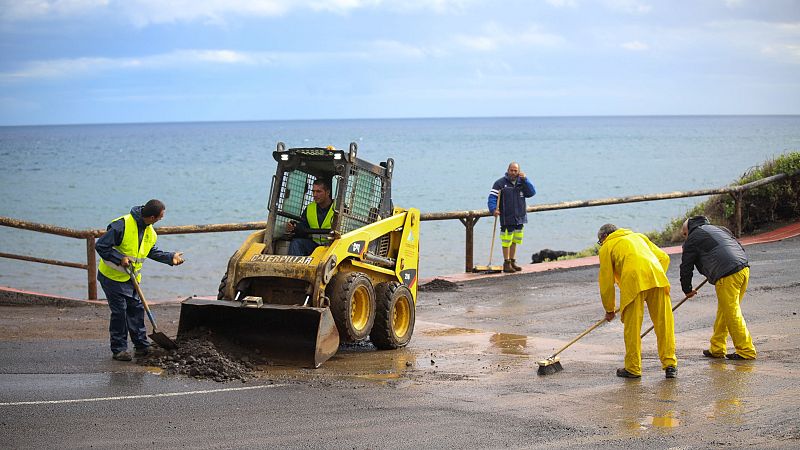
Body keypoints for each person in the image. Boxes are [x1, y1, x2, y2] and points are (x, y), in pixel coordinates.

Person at [96, 200, 184, 361]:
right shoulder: (121, 225)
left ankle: (141, 346)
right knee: (120, 312)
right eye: (160, 217)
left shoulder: (150, 232)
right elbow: (101, 246)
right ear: (151, 217)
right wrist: (119, 258)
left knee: (136, 310)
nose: (161, 219)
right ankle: (119, 350)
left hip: (131, 279)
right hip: (111, 277)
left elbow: (151, 252)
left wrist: (170, 258)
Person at [597, 223, 678, 379]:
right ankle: (670, 365)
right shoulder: (638, 236)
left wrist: (609, 309)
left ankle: (633, 368)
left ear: (604, 237)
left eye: (600, 241)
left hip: (633, 283)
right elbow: (663, 257)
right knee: (664, 325)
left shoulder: (606, 247)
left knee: (632, 329)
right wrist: (652, 276)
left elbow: (606, 282)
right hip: (657, 279)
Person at [680, 216, 756, 360]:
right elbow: (738, 247)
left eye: (684, 234)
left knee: (732, 312)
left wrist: (687, 289)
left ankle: (746, 350)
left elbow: (686, 267)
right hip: (743, 268)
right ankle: (717, 347)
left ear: (688, 230)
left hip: (727, 275)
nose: (685, 238)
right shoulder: (720, 229)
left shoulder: (692, 239)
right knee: (725, 311)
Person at [487, 162, 536, 273]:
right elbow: (492, 198)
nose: (513, 172)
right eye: (511, 170)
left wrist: (526, 180)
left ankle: (513, 261)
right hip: (506, 217)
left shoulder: (522, 182)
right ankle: (506, 262)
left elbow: (532, 193)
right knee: (506, 241)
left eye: (515, 170)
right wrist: (493, 209)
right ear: (508, 170)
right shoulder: (500, 183)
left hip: (520, 216)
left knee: (515, 240)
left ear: (519, 171)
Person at [286, 179, 334, 256]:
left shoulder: (338, 209)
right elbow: (303, 227)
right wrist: (294, 227)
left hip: (333, 246)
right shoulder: (309, 208)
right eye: (313, 191)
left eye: (318, 191)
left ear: (327, 192)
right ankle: (295, 267)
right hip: (314, 245)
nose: (315, 195)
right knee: (296, 243)